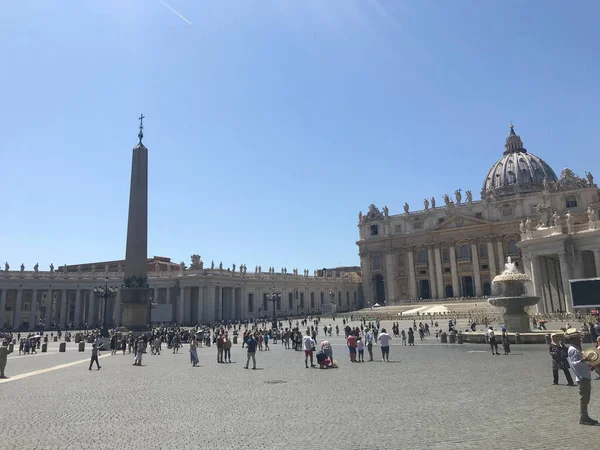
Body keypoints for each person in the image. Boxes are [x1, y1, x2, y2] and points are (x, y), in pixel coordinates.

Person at [566, 328, 598, 425]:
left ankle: (585, 416)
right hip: (582, 377)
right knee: (584, 398)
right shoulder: (573, 349)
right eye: (577, 338)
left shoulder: (576, 349)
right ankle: (583, 417)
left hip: (584, 376)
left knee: (586, 397)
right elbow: (573, 364)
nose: (579, 340)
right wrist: (583, 360)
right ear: (572, 339)